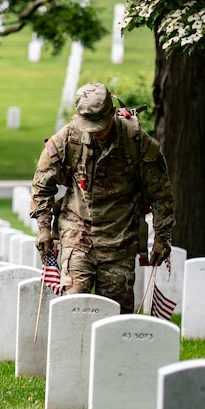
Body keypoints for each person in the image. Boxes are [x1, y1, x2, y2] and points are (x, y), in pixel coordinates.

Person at [29, 82, 175, 313]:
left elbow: (161, 194)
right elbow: (41, 185)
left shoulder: (135, 140)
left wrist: (162, 237)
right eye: (90, 126)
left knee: (116, 313)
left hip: (120, 237)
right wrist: (44, 228)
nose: (95, 132)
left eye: (100, 126)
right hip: (77, 232)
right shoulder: (69, 138)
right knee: (73, 303)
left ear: (112, 113)